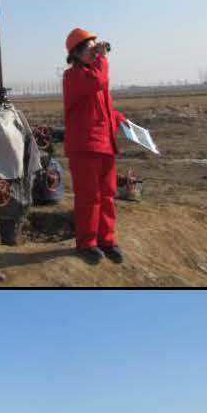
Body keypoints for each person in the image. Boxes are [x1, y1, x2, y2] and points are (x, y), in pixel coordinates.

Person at [61, 26, 126, 267]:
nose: (95, 51)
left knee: (107, 196)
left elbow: (103, 107)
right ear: (76, 53)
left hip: (104, 145)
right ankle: (86, 243)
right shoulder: (74, 76)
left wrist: (121, 120)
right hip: (85, 147)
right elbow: (97, 81)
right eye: (90, 48)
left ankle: (106, 240)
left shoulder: (95, 75)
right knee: (89, 197)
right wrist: (104, 58)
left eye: (95, 47)